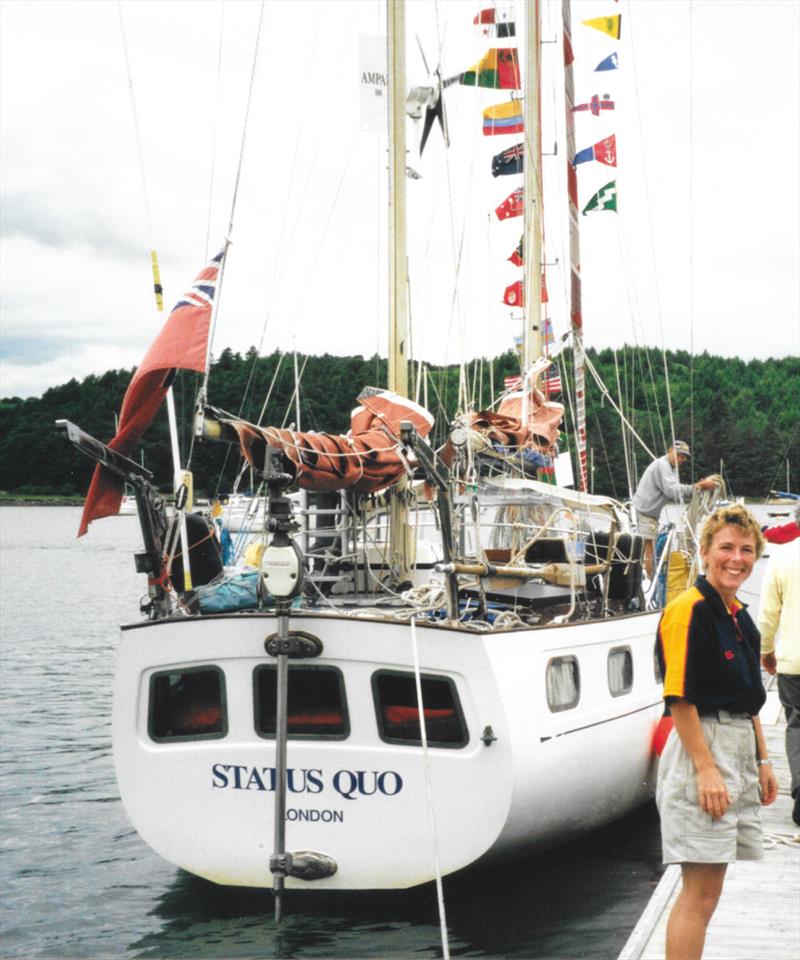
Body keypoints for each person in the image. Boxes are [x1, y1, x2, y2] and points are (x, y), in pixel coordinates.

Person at [655, 503, 779, 960]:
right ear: (705, 551)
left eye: (747, 550)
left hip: (739, 749)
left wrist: (763, 761)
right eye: (726, 547)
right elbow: (679, 698)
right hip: (702, 748)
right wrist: (706, 770)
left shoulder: (739, 614)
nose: (737, 558)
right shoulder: (689, 610)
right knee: (698, 893)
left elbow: (750, 701)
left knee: (711, 890)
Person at [758, 535, 800, 826]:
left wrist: (765, 650)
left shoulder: (783, 556)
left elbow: (768, 612)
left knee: (797, 725)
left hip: (793, 660)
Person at [633, 441, 718, 579]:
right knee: (650, 551)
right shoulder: (663, 465)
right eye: (679, 455)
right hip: (645, 511)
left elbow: (676, 491)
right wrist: (697, 486)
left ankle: (649, 579)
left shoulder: (671, 467)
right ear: (670, 450)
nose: (681, 459)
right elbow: (672, 491)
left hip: (650, 513)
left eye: (684, 457)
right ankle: (652, 584)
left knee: (650, 550)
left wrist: (696, 488)